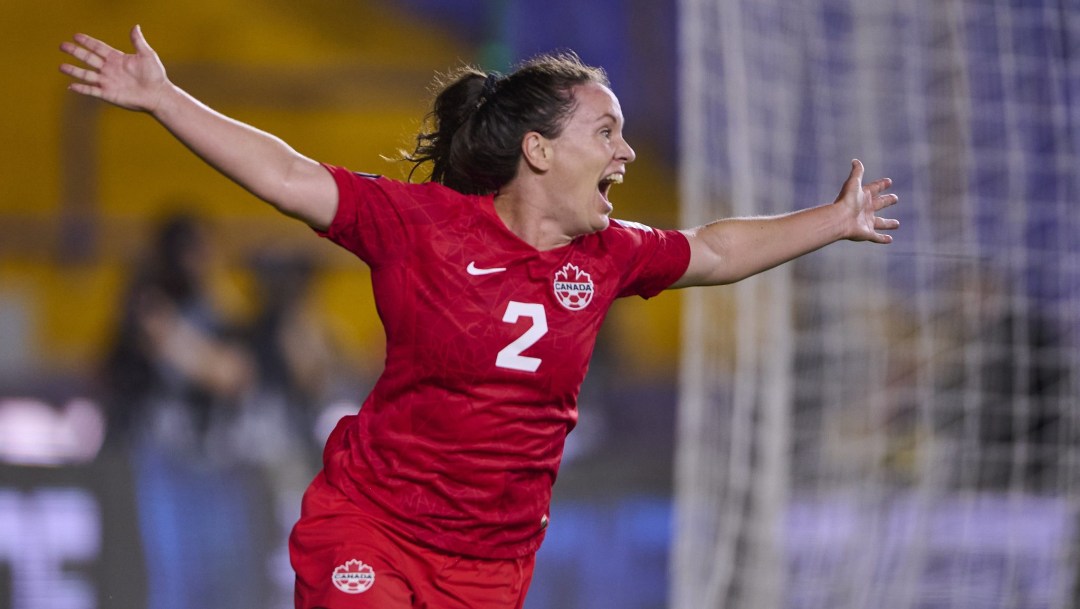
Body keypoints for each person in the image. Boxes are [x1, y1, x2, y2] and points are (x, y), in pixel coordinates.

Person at [61, 25, 899, 609]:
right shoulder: (419, 226)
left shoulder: (609, 257)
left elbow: (712, 250)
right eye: (606, 131)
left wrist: (832, 219)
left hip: (491, 566)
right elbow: (285, 174)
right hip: (372, 525)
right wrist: (166, 100)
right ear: (538, 149)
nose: (626, 153)